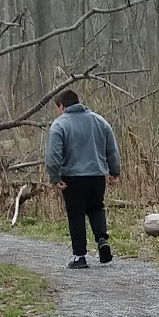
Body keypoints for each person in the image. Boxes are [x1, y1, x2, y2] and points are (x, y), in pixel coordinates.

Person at [45, 89, 121, 268]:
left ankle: (80, 256)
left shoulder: (59, 125)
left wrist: (54, 177)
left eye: (58, 108)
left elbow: (53, 155)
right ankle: (102, 239)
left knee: (76, 214)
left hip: (72, 177)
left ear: (62, 106)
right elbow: (112, 149)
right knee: (96, 208)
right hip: (97, 176)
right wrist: (114, 171)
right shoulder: (100, 121)